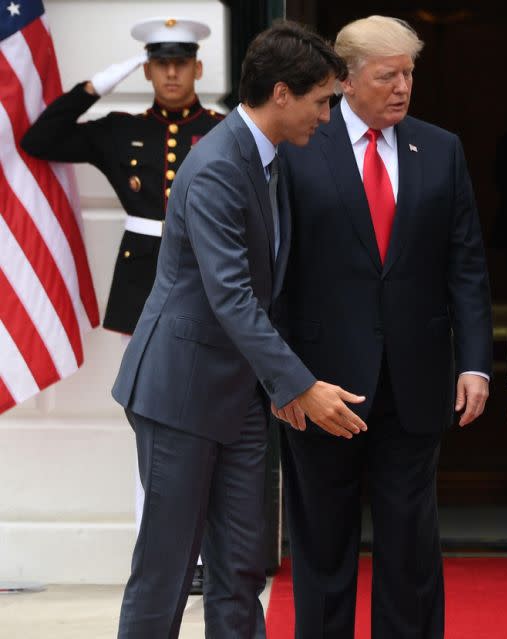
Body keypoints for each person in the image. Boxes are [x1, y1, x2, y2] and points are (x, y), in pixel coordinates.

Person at [110, 22, 364, 638]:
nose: (329, 117)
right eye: (323, 100)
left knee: (241, 569)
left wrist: (276, 386)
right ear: (282, 93)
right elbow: (231, 297)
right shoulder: (219, 164)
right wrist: (298, 386)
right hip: (180, 393)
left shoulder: (267, 158)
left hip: (242, 397)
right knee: (167, 569)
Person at [276, 15, 492, 638]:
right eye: (387, 75)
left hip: (416, 380)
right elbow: (277, 272)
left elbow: (466, 265)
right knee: (322, 543)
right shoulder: (299, 145)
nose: (402, 87)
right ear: (345, 81)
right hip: (321, 384)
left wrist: (474, 362)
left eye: (409, 73)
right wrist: (284, 378)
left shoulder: (440, 147)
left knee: (411, 545)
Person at [20, 16, 223, 594]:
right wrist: (100, 83)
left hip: (210, 281)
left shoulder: (222, 129)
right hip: (144, 286)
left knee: (209, 416)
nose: (172, 72)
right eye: (160, 62)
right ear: (148, 68)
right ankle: (161, 554)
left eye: (181, 61)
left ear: (198, 67)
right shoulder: (120, 130)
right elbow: (41, 139)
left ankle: (207, 556)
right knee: (153, 419)